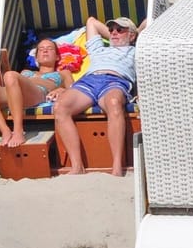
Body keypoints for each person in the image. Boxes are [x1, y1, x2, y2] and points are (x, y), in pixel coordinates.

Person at [51, 16, 138, 175]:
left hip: (116, 80)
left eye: (119, 30)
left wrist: (133, 36)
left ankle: (117, 166)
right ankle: (77, 166)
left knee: (113, 103)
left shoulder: (136, 50)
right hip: (90, 81)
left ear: (132, 35)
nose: (113, 33)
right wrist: (116, 35)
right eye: (111, 30)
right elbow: (91, 22)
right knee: (60, 107)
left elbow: (148, 23)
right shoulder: (99, 49)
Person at [0, 38, 68, 147]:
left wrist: (61, 89)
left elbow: (75, 89)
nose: (45, 51)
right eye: (41, 49)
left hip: (37, 93)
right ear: (36, 57)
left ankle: (18, 130)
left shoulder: (63, 73)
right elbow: (11, 84)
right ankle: (5, 131)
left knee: (10, 75)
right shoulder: (25, 72)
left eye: (50, 48)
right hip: (14, 93)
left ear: (57, 56)